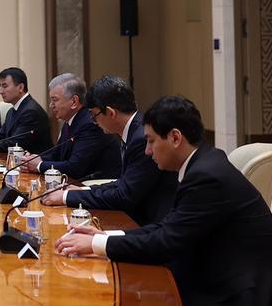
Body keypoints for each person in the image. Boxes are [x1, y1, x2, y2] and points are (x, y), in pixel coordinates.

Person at [56, 96, 272, 306]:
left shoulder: (206, 176)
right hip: (226, 281)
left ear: (175, 138)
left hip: (242, 304)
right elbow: (169, 227)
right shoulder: (204, 162)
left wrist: (98, 244)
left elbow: (166, 242)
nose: (147, 151)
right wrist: (104, 236)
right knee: (128, 301)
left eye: (151, 141)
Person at [41, 75, 177, 226]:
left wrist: (67, 197)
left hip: (149, 225)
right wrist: (82, 191)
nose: (93, 121)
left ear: (111, 113)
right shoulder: (134, 129)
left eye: (94, 115)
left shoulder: (140, 138)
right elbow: (122, 183)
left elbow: (124, 195)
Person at [22, 73, 120, 181]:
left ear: (74, 101)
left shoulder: (90, 123)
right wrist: (33, 159)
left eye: (55, 100)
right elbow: (57, 154)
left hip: (98, 185)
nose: (51, 105)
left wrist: (39, 165)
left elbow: (75, 168)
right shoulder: (72, 119)